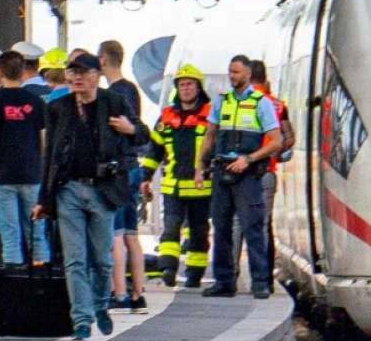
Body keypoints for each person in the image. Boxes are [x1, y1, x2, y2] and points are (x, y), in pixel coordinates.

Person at [32, 53, 148, 340]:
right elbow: (50, 157)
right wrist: (44, 200)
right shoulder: (57, 107)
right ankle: (81, 319)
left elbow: (144, 135)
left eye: (83, 73)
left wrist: (130, 129)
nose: (77, 78)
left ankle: (99, 306)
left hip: (103, 189)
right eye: (72, 73)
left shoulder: (114, 102)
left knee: (102, 259)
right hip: (69, 190)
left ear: (97, 75)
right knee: (75, 259)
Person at [195, 55, 282, 299]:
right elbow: (210, 135)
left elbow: (276, 141)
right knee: (221, 228)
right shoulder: (221, 102)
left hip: (247, 174)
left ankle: (260, 282)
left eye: (236, 72)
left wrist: (249, 159)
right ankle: (224, 282)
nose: (232, 76)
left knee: (253, 227)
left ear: (247, 74)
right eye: (230, 72)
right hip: (222, 171)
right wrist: (200, 167)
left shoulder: (261, 103)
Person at [140, 64, 212, 290]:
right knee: (170, 228)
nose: (186, 89)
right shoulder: (167, 116)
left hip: (201, 188)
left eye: (190, 84)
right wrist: (146, 177)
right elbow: (155, 150)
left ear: (198, 88)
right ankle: (168, 269)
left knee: (199, 232)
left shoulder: (210, 116)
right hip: (173, 187)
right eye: (182, 85)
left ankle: (194, 275)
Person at [0, 51, 50, 266]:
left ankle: (15, 283)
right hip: (31, 174)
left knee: (10, 235)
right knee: (36, 232)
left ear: (0, 71)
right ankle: (40, 282)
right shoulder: (36, 102)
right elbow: (44, 142)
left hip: (2, 177)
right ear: (22, 71)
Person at [231, 59, 294, 286]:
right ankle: (263, 278)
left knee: (237, 222)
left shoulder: (237, 102)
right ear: (266, 79)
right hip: (266, 171)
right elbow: (289, 138)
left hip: (239, 171)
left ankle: (231, 273)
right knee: (261, 224)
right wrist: (273, 152)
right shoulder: (277, 105)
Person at [99, 40, 147, 313]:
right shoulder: (132, 90)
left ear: (103, 59)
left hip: (118, 170)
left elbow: (119, 129)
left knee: (115, 236)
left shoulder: (113, 94)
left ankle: (118, 294)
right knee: (131, 235)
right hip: (133, 165)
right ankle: (138, 292)